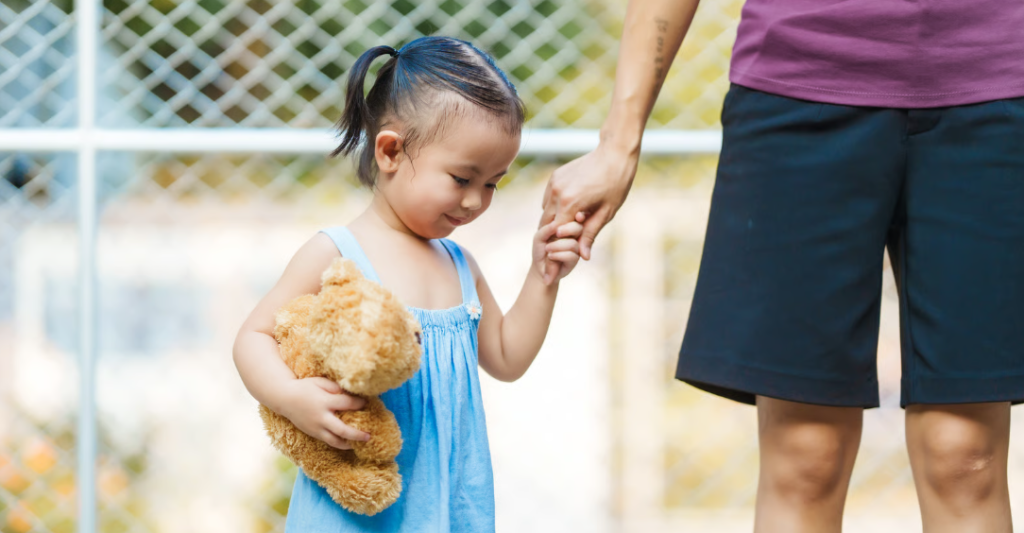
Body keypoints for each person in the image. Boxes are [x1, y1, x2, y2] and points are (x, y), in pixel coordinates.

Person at [542, 1, 1024, 531]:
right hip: (797, 84)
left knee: (965, 455)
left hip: (996, 86)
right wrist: (618, 143)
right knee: (805, 455)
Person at [233, 36, 586, 532]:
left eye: (492, 183)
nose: (475, 201)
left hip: (445, 507)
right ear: (391, 151)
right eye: (461, 179)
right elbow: (253, 337)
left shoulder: (460, 265)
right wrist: (292, 399)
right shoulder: (337, 253)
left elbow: (507, 358)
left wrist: (544, 275)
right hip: (355, 512)